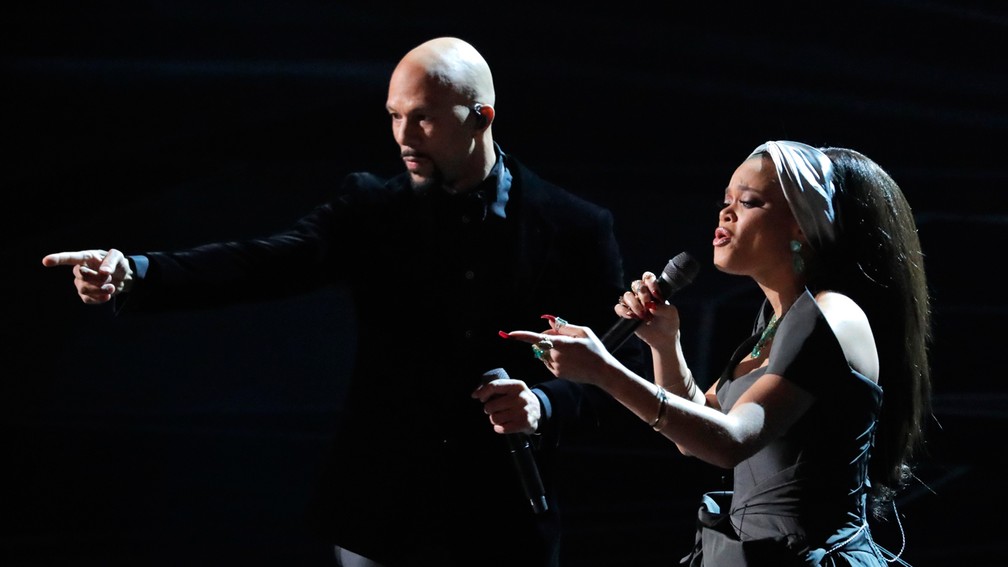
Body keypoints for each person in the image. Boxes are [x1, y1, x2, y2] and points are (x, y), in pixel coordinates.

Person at [41, 37, 643, 567]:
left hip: (505, 518)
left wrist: (542, 402)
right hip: (380, 514)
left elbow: (610, 376)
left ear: (481, 117)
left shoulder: (576, 227)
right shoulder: (372, 208)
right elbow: (263, 261)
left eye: (424, 120)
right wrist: (138, 271)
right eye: (394, 116)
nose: (403, 138)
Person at [502, 140, 932, 565]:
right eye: (726, 200)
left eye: (749, 202)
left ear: (802, 224)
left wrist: (605, 371)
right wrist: (665, 344)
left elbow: (730, 441)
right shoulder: (774, 319)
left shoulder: (832, 314)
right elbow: (699, 431)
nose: (726, 213)